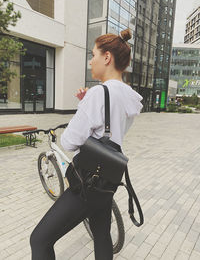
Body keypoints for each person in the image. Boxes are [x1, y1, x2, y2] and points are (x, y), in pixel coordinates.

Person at [30, 28, 143, 260]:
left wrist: (84, 107)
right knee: (102, 233)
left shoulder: (98, 94)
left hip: (86, 181)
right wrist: (86, 104)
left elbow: (69, 141)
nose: (91, 61)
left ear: (107, 57)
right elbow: (109, 131)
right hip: (107, 178)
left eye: (93, 55)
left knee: (40, 239)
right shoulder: (129, 96)